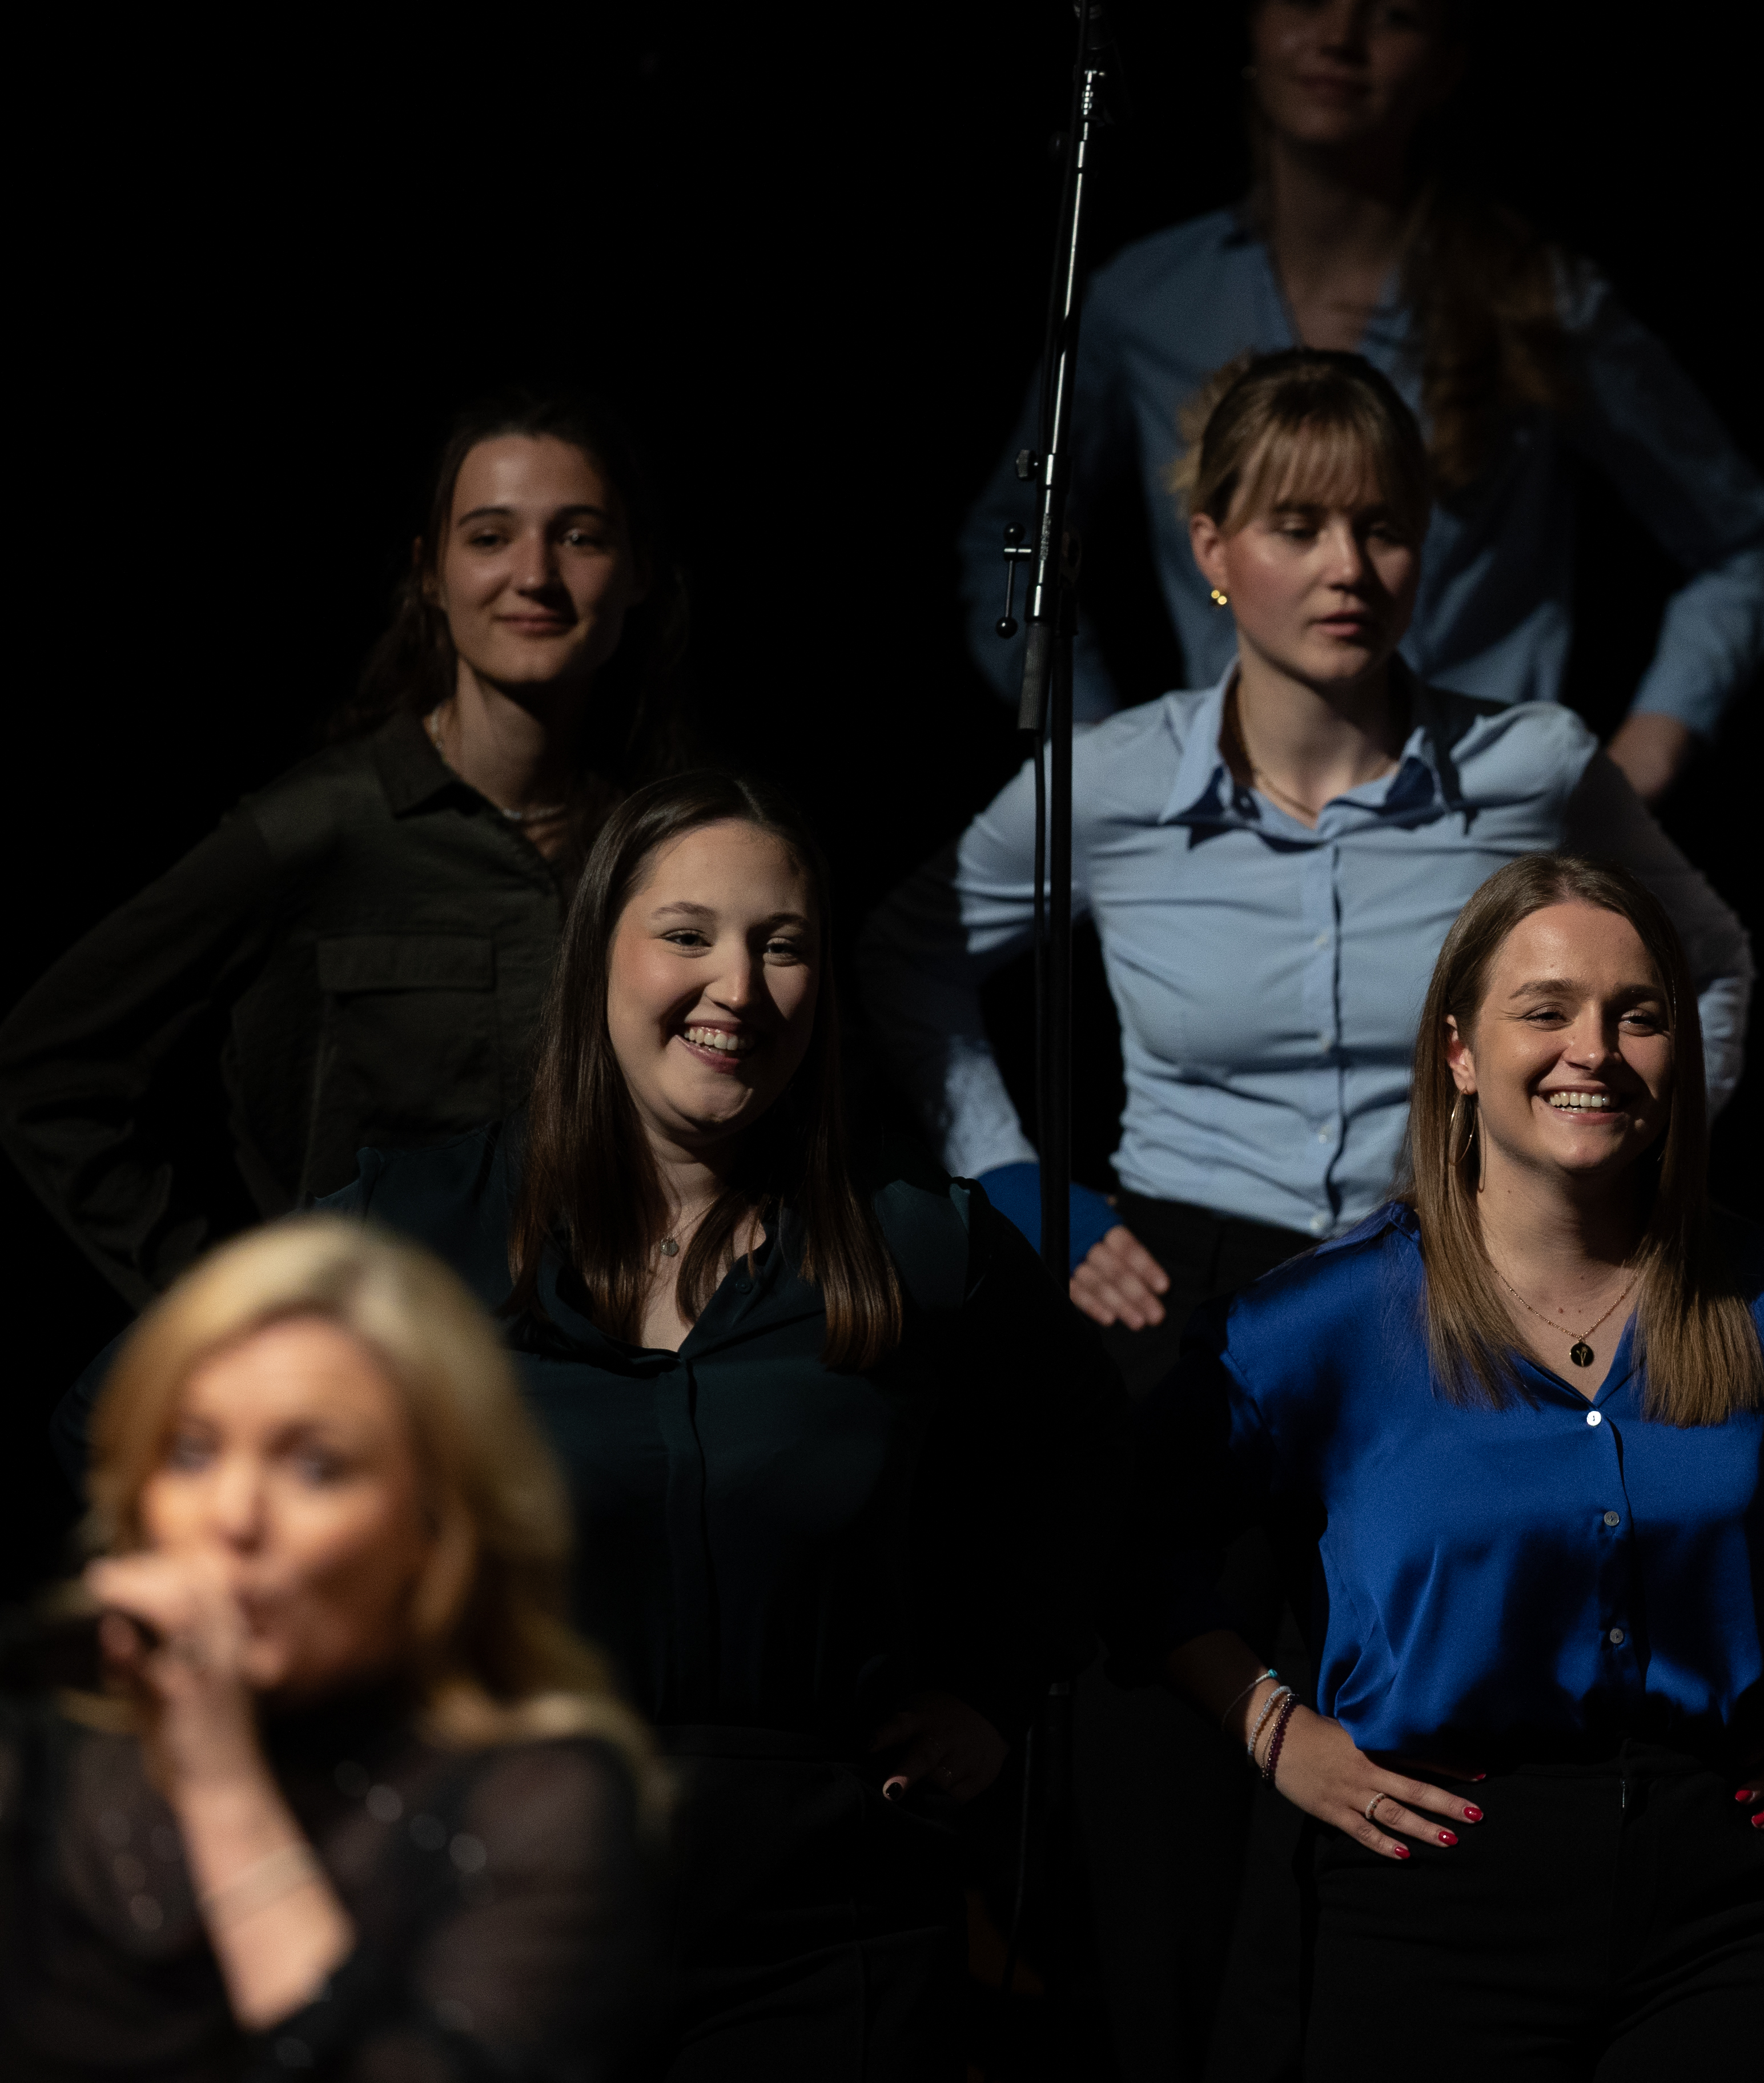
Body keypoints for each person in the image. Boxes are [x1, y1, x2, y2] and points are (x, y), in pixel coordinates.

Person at [877, 345, 1752, 2083]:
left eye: (1384, 528)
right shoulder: (1112, 780)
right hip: (1185, 1284)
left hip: (1443, 1296)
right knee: (1165, 1771)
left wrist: (1618, 1183)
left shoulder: (1524, 765)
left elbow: (1706, 963)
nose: (1348, 568)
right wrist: (1022, 1183)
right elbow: (906, 957)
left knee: (1412, 1767)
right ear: (1213, 549)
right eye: (1298, 527)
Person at [60, 772, 1114, 2078]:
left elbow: (1102, 1471)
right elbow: (131, 1420)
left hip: (823, 1936)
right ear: (595, 954)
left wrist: (994, 1693)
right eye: (688, 935)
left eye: (782, 947)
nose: (738, 986)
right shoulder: (424, 1224)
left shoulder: (917, 1242)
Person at [1117, 852, 1764, 2081]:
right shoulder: (1324, 1323)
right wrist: (1274, 1731)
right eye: (1547, 1011)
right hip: (1433, 1891)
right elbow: (1124, 1535)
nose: (1597, 1049)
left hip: (1735, 1899)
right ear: (1460, 1052)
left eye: (1639, 1014)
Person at [957, 0, 1764, 801]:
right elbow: (1014, 533)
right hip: (1232, 825)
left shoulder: (1533, 299)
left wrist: (1642, 757)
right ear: (1253, 24)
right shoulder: (1146, 301)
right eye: (1305, 3)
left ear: (1446, 64)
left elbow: (1745, 542)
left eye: (1393, 14)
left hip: (1477, 832)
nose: (1338, 39)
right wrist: (1095, 745)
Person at [0, 385, 691, 1307]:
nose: (535, 573)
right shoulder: (319, 831)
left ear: (637, 570)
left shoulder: (670, 843)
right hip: (378, 1384)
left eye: (579, 536)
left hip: (606, 1388)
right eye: (489, 536)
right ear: (431, 575)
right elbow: (52, 1065)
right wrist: (222, 1309)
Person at [2, 1215, 659, 2078]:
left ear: (434, 1526)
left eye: (315, 1467)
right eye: (192, 1453)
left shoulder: (540, 1801)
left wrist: (220, 1785)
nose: (233, 1517)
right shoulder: (48, 1755)